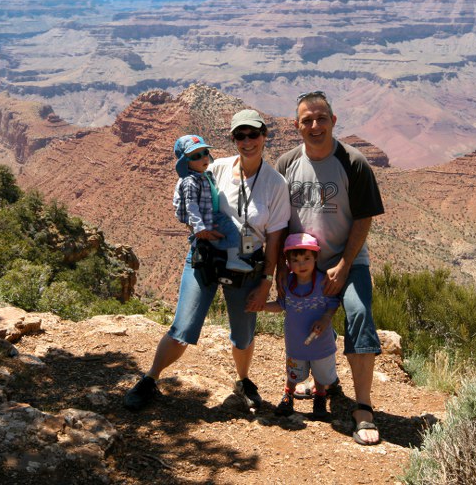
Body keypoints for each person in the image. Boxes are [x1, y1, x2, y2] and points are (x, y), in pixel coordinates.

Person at [124, 109, 290, 412]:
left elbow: (276, 239)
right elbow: (189, 198)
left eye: (253, 134)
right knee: (182, 328)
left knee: (243, 334)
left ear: (265, 136)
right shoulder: (218, 168)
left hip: (246, 265)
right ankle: (150, 378)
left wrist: (266, 281)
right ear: (233, 139)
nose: (247, 141)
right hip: (205, 258)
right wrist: (195, 226)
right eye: (240, 135)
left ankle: (243, 380)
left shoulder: (275, 184)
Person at [275, 91, 385, 446]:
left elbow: (364, 218)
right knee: (307, 322)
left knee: (357, 315)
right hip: (303, 264)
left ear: (334, 121)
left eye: (321, 118)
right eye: (307, 120)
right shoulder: (286, 164)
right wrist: (279, 270)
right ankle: (325, 380)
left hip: (345, 261)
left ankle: (363, 407)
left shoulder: (353, 162)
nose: (315, 125)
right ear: (296, 126)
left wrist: (344, 264)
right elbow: (278, 223)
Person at [262, 232, 340, 419]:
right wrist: (261, 306)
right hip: (295, 343)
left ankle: (319, 397)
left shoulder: (323, 281)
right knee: (294, 371)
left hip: (321, 343)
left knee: (321, 373)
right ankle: (288, 394)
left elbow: (333, 303)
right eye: (295, 260)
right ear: (288, 262)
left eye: (306, 258)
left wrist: (324, 319)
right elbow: (281, 305)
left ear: (315, 258)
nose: (301, 264)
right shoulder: (287, 283)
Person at [172, 134, 253, 273]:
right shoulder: (190, 182)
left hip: (210, 216)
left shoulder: (204, 175)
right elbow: (191, 206)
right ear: (185, 162)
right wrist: (199, 227)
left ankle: (215, 247)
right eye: (196, 156)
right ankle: (233, 259)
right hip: (209, 218)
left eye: (205, 152)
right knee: (233, 231)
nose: (204, 158)